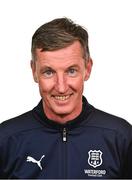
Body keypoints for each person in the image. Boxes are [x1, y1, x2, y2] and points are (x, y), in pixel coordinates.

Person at [0, 17, 132, 179]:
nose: (61, 87)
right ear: (34, 71)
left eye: (71, 71)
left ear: (87, 69)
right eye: (49, 72)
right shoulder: (6, 139)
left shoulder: (120, 137)